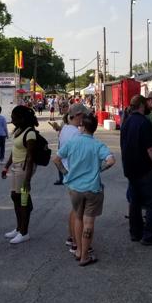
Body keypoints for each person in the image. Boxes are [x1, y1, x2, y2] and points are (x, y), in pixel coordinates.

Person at [53, 113, 116, 266]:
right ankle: (84, 257)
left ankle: (79, 250)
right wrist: (100, 170)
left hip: (74, 188)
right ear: (94, 128)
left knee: (78, 217)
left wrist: (66, 173)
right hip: (92, 189)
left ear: (82, 127)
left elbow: (56, 159)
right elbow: (111, 160)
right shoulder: (98, 145)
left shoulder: (73, 142)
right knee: (89, 222)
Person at [120, 95, 152, 246]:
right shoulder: (144, 123)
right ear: (141, 105)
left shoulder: (126, 122)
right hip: (145, 169)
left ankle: (135, 233)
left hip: (131, 168)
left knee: (135, 202)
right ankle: (149, 236)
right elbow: (151, 148)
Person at [1, 105, 39, 244]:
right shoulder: (18, 130)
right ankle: (18, 228)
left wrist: (27, 180)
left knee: (22, 199)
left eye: (14, 118)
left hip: (24, 168)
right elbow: (14, 150)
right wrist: (6, 166)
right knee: (15, 196)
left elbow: (30, 157)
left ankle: (24, 232)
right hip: (16, 167)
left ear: (22, 118)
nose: (12, 121)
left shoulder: (30, 134)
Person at [57, 103, 89, 249]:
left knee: (75, 209)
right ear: (77, 116)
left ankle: (72, 238)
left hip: (70, 174)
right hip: (76, 175)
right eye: (84, 115)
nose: (86, 118)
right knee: (79, 212)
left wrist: (65, 172)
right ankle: (77, 244)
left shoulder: (66, 129)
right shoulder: (75, 133)